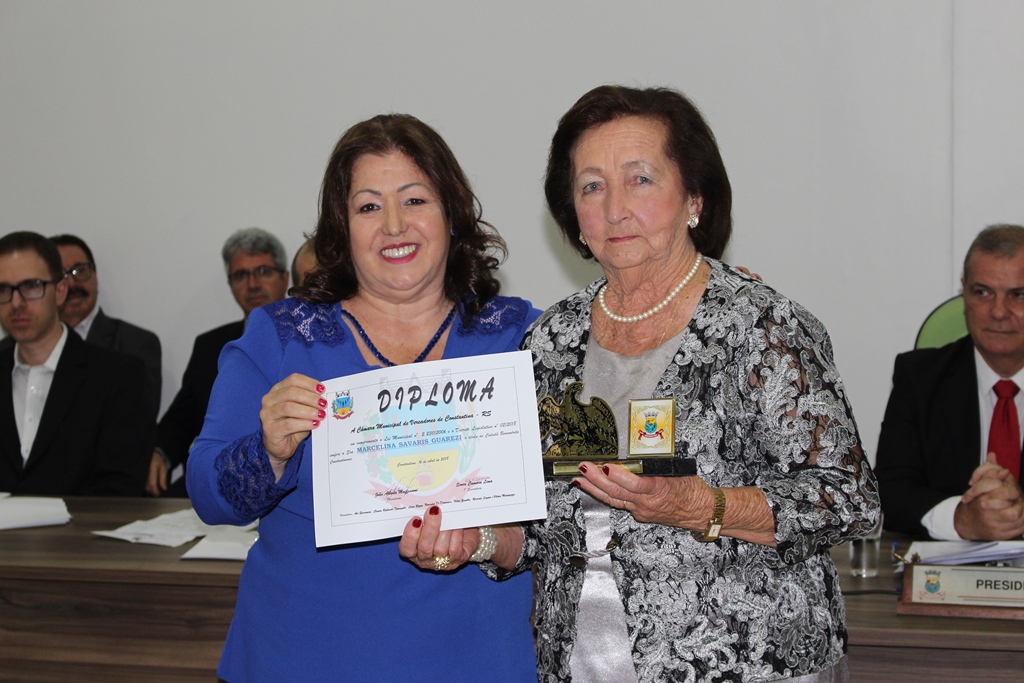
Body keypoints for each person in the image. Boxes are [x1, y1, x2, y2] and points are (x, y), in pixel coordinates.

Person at [402, 86, 879, 682]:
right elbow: (541, 532)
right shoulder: (550, 342)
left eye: (640, 180)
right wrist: (471, 540)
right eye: (592, 186)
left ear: (694, 198)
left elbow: (847, 501)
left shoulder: (762, 326)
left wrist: (701, 506)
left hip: (749, 664)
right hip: (583, 663)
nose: (615, 209)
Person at [187, 114, 540, 682]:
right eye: (369, 207)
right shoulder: (280, 337)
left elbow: (575, 510)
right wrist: (268, 452)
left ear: (451, 214)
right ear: (341, 228)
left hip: (474, 659)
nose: (394, 225)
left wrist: (490, 541)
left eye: (415, 200)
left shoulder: (523, 336)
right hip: (298, 659)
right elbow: (208, 494)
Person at [875, 224, 1024, 541]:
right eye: (982, 293)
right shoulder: (919, 378)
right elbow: (890, 491)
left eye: (1018, 295)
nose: (999, 312)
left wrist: (1014, 511)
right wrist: (961, 519)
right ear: (964, 292)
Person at [0, 231, 150, 495]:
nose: (16, 303)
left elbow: (120, 487)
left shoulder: (119, 376)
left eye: (31, 286)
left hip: (82, 523)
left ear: (59, 292)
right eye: (3, 290)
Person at [146, 228, 290, 497]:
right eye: (241, 275)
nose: (252, 284)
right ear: (230, 284)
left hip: (288, 477)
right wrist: (160, 452)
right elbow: (182, 417)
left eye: (263, 271)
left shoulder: (309, 339)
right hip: (224, 478)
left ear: (285, 278)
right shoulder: (209, 346)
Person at [50, 233, 162, 416]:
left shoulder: (136, 343)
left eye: (80, 270)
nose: (72, 283)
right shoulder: (17, 349)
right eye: (60, 274)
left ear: (95, 276)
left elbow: (139, 418)